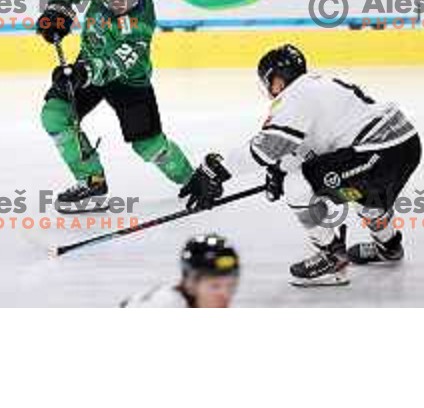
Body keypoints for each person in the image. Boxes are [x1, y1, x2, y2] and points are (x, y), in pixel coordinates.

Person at [179, 44, 421, 287]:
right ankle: (388, 246)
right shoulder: (320, 85)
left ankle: (332, 258)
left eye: (268, 83)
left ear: (277, 80)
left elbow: (268, 147)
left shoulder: (295, 95)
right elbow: (312, 147)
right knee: (368, 195)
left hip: (377, 153)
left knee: (298, 185)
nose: (269, 90)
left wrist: (217, 171)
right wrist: (279, 169)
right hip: (404, 144)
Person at [36, 0, 193, 207]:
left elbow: (115, 64)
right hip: (88, 65)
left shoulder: (139, 25)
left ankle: (193, 179)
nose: (111, 4)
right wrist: (57, 9)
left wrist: (82, 73)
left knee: (148, 145)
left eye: (120, 1)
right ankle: (91, 180)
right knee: (55, 115)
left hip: (128, 82)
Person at [121, 233, 240, 307]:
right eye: (215, 286)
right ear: (190, 284)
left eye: (231, 286)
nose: (225, 295)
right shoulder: (163, 305)